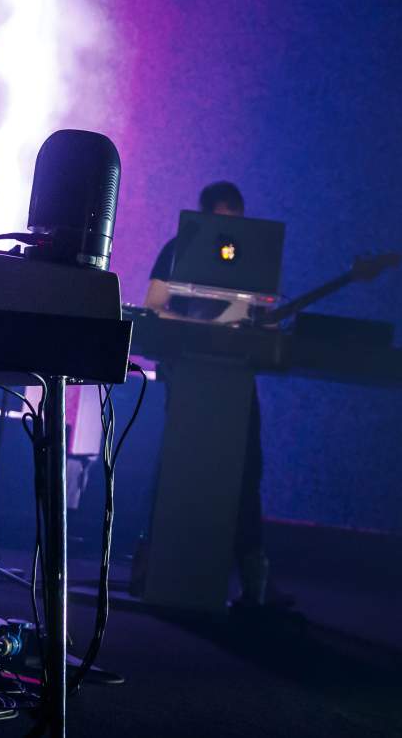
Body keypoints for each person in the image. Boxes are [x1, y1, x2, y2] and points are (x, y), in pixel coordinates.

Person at [143, 181, 281, 607]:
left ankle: (251, 574)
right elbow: (152, 305)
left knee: (246, 468)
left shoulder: (255, 257)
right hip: (189, 375)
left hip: (234, 379)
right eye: (221, 222)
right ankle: (160, 566)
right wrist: (193, 330)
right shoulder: (178, 249)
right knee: (181, 467)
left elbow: (267, 319)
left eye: (235, 224)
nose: (229, 235)